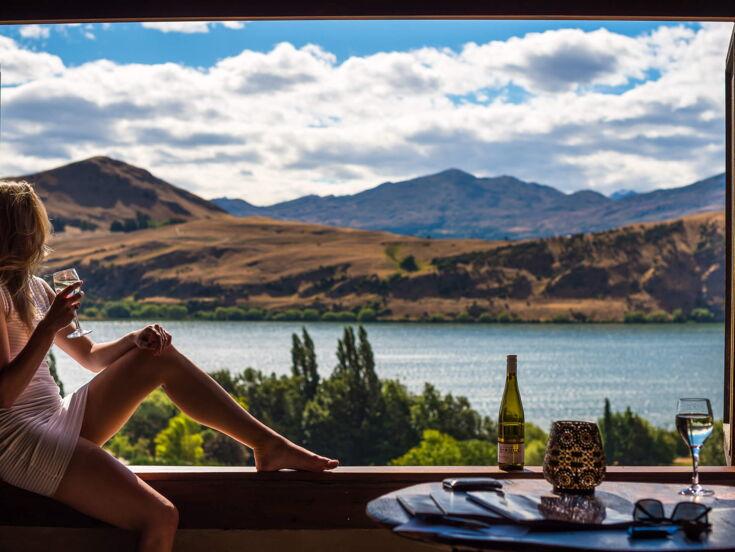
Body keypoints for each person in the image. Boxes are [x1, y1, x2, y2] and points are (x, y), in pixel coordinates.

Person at [0, 181, 339, 552]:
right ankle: (270, 445)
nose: (40, 235)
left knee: (157, 356)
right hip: (16, 436)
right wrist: (49, 326)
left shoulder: (38, 288)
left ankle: (267, 443)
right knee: (161, 515)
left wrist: (134, 339)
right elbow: (5, 395)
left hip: (54, 416)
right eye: (35, 225)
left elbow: (92, 357)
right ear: (21, 232)